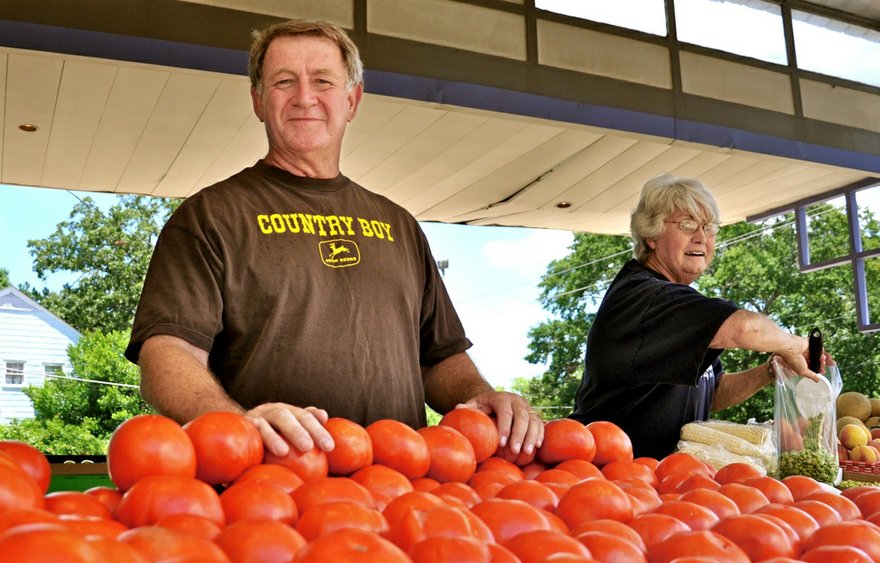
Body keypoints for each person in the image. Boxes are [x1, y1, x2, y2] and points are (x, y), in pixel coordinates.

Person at [126, 18, 542, 461]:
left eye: (322, 81)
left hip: (403, 491)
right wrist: (231, 423)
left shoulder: (399, 224)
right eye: (284, 82)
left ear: (352, 99)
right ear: (258, 101)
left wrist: (482, 395)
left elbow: (439, 357)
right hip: (272, 483)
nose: (305, 97)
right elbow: (167, 353)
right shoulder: (209, 216)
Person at [570, 175, 822, 458]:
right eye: (687, 224)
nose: (701, 236)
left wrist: (772, 370)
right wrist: (793, 344)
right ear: (651, 235)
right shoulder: (646, 297)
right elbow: (747, 328)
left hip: (661, 480)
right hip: (611, 476)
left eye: (709, 227)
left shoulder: (682, 307)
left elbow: (712, 391)